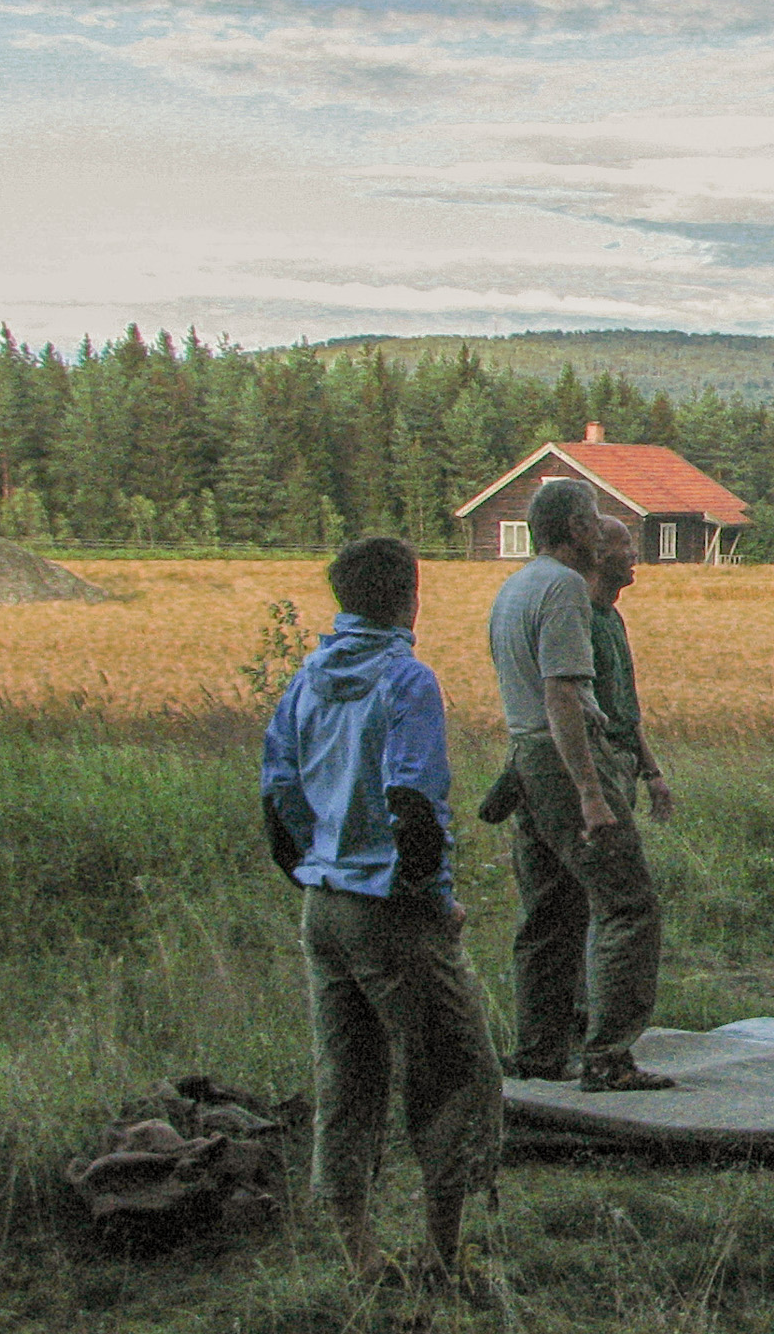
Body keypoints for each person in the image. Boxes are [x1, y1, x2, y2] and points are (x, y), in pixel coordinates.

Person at [260, 536, 500, 1284]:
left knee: (348, 1079)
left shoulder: (304, 681)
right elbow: (414, 805)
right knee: (458, 1074)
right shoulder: (406, 679)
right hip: (388, 909)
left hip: (322, 907)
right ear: (409, 596)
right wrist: (433, 901)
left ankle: (357, 1248)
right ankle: (442, 1248)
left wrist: (315, 869)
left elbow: (278, 799)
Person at [487, 477, 672, 1093]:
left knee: (550, 911)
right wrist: (591, 793)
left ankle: (540, 1053)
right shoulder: (565, 588)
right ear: (575, 530)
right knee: (627, 904)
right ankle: (609, 1057)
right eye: (595, 520)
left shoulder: (515, 587)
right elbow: (562, 693)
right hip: (564, 760)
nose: (605, 531)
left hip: (525, 758)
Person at [589, 514, 677, 824]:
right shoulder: (579, 620)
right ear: (598, 555)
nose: (634, 553)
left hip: (622, 764)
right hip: (599, 765)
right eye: (624, 544)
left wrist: (651, 772)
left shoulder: (612, 618)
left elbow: (627, 707)